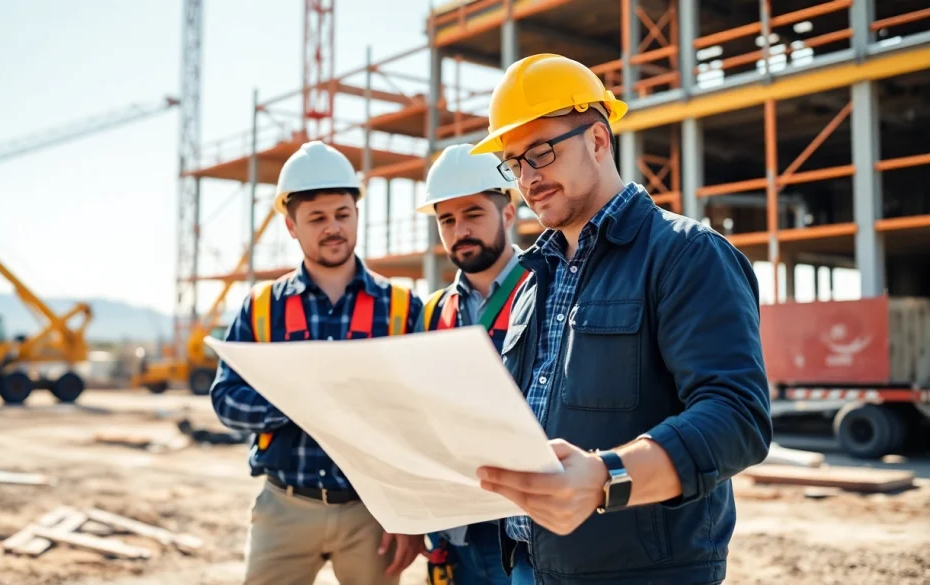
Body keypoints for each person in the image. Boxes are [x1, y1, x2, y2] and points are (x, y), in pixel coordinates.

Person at [466, 53, 773, 584]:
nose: (528, 178)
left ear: (599, 140)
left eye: (540, 153)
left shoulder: (685, 254)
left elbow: (737, 416)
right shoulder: (532, 279)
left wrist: (609, 478)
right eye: (514, 164)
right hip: (528, 565)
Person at [210, 141, 427, 585]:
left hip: (373, 512)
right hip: (285, 507)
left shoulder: (403, 308)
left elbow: (421, 419)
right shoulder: (262, 307)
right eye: (317, 218)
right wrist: (298, 404)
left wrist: (411, 514)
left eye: (343, 215)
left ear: (357, 214)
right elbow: (226, 399)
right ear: (291, 226)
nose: (334, 228)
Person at [413, 143, 526, 585]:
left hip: (522, 528)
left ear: (509, 214)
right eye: (447, 219)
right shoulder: (433, 311)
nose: (459, 230)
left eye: (473, 214)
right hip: (456, 527)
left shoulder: (546, 292)